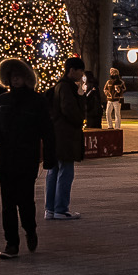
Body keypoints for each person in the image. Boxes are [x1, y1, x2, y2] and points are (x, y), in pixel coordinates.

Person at [0, 59, 54, 258]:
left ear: (27, 79)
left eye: (19, 77)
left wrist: (49, 157)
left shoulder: (37, 100)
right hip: (6, 158)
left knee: (25, 200)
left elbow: (47, 130)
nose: (15, 80)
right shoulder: (3, 100)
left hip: (26, 158)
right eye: (12, 77)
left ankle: (30, 229)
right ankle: (11, 243)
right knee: (7, 204)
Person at [44, 63, 88, 220]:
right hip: (66, 135)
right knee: (65, 171)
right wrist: (81, 101)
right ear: (72, 70)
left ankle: (50, 208)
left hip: (56, 134)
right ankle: (61, 208)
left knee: (54, 171)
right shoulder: (66, 87)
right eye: (80, 70)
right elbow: (70, 110)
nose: (82, 73)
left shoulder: (59, 86)